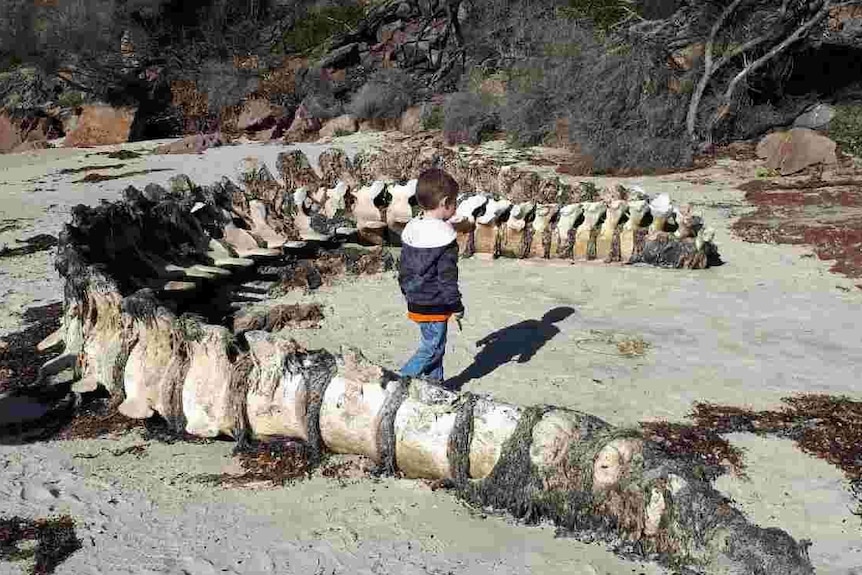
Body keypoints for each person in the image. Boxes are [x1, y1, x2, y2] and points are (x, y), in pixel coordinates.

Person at [398, 168, 464, 384]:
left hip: (415, 300)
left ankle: (436, 386)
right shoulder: (445, 239)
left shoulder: (413, 229)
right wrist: (457, 306)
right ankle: (399, 380)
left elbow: (404, 269)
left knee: (435, 347)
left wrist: (406, 292)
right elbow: (447, 279)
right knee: (432, 348)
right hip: (435, 304)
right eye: (455, 202)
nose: (456, 207)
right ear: (445, 202)